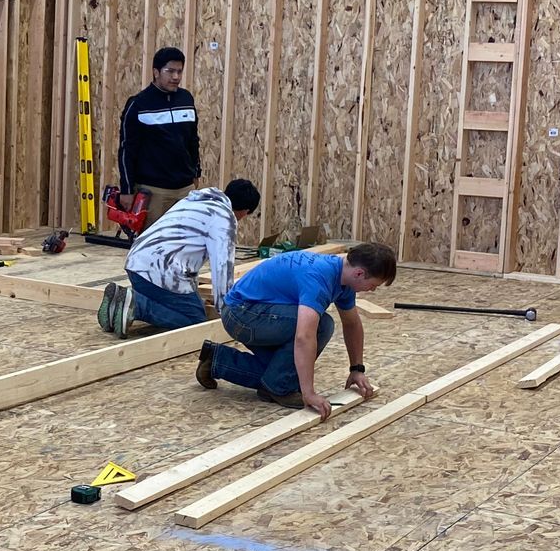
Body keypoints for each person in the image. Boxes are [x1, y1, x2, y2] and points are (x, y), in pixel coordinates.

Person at [197, 242, 397, 415]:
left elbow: (352, 324)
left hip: (257, 312)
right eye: (373, 285)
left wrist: (357, 369)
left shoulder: (345, 278)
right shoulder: (319, 277)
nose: (372, 290)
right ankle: (277, 387)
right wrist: (308, 393)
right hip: (241, 315)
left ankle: (217, 360)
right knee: (321, 327)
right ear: (359, 273)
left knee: (280, 374)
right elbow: (304, 336)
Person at [98, 180, 260, 337]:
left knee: (186, 304)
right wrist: (227, 311)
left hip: (136, 265)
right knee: (195, 321)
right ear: (245, 211)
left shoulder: (194, 201)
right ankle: (137, 305)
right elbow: (222, 267)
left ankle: (119, 302)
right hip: (161, 273)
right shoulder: (224, 218)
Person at [117, 46, 199, 224]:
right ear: (156, 72)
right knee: (151, 240)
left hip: (185, 189)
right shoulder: (138, 104)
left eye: (179, 71)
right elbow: (127, 150)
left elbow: (193, 140)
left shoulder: (186, 99)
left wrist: (196, 173)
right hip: (154, 192)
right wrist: (127, 189)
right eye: (170, 71)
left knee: (184, 239)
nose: (176, 77)